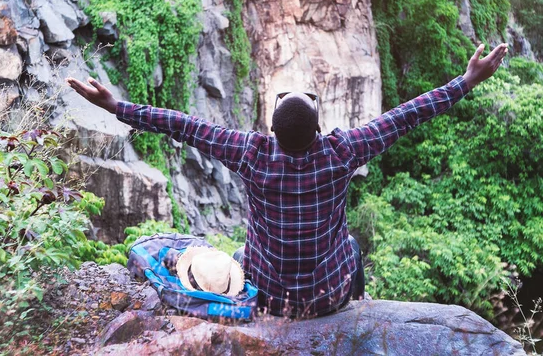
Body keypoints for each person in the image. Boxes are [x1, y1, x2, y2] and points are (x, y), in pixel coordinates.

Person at [66, 42, 508, 317]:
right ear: (318, 131)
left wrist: (116, 106)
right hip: (328, 295)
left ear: (271, 131)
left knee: (241, 251)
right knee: (352, 247)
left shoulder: (250, 153)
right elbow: (407, 116)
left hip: (269, 298)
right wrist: (466, 81)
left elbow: (182, 125)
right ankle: (354, 309)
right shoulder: (343, 151)